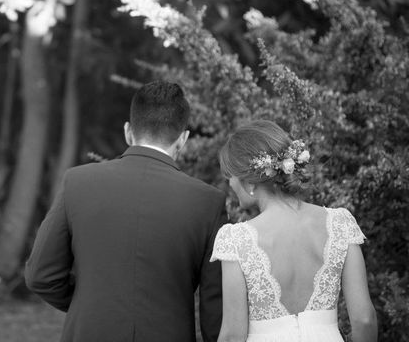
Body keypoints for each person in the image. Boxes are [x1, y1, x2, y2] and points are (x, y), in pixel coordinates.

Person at [24, 81, 228, 342]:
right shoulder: (208, 201)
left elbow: (40, 276)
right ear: (183, 139)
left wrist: (91, 304)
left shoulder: (78, 182)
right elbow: (215, 308)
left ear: (128, 131)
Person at [212, 120, 377, 342]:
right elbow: (364, 319)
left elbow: (233, 336)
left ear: (250, 183)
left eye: (229, 177)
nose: (230, 184)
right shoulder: (340, 223)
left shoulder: (235, 240)